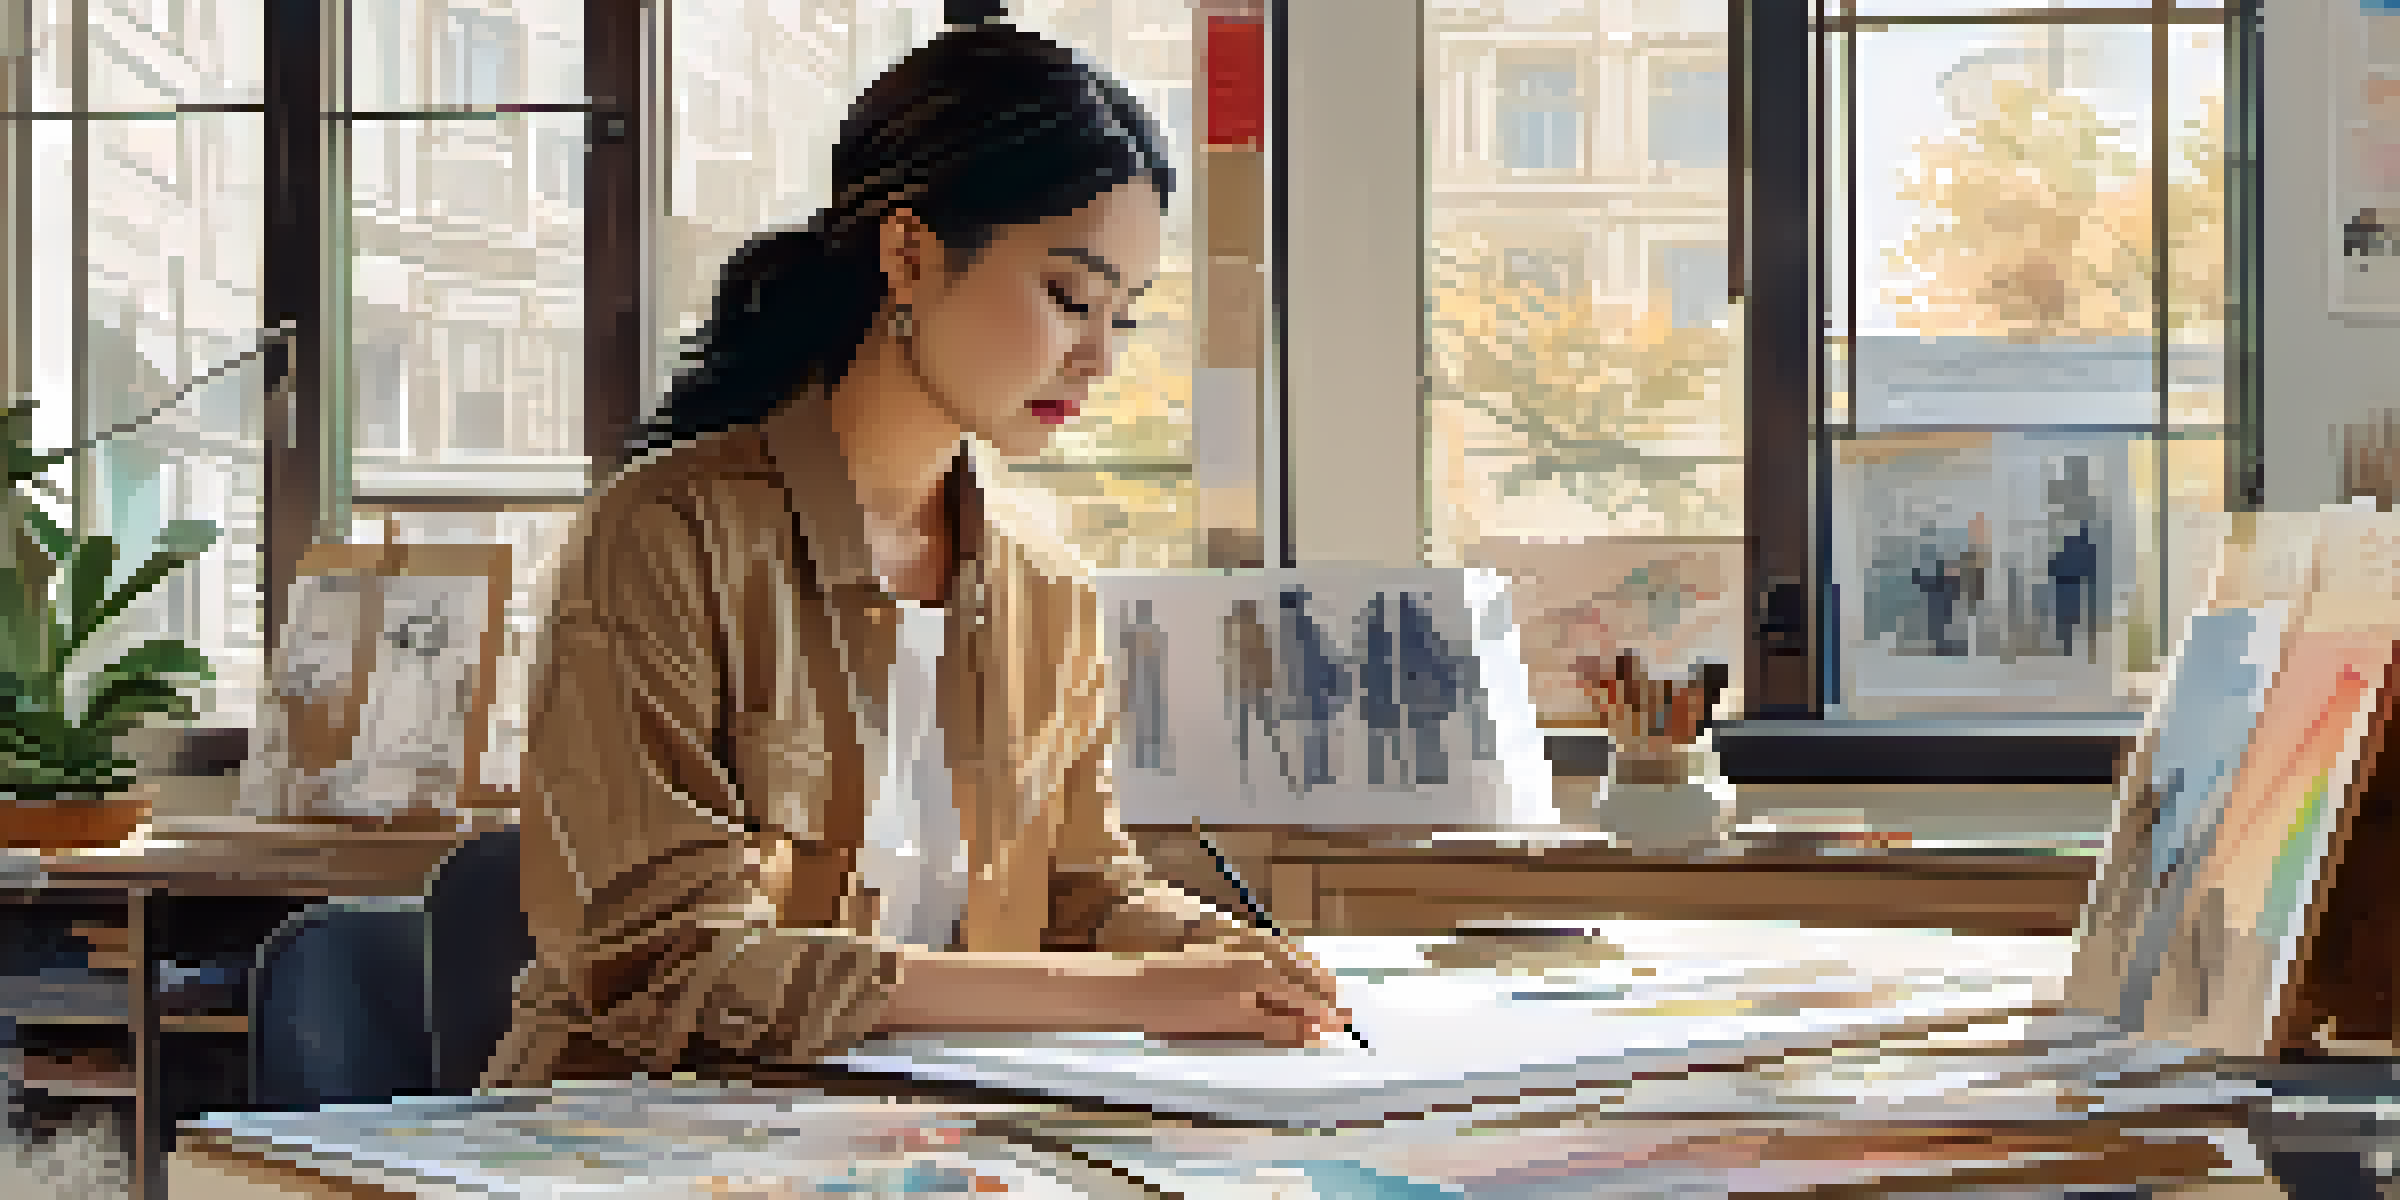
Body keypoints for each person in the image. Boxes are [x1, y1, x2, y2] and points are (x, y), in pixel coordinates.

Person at [483, 0, 1347, 1088]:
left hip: (916, 1135)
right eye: (1069, 295)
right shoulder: (667, 534)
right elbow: (680, 965)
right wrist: (1134, 995)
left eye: (1120, 317)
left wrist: (1200, 949)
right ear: (909, 254)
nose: (1098, 357)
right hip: (635, 1136)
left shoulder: (1047, 583)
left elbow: (1080, 888)